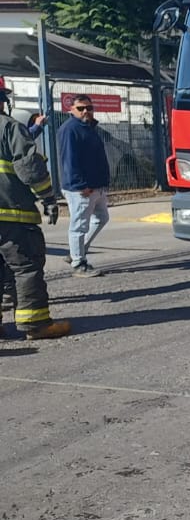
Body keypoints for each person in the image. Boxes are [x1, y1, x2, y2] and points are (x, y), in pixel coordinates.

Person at [0, 98, 72, 340]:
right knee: (26, 267)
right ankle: (36, 325)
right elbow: (30, 167)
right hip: (11, 214)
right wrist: (48, 198)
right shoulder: (9, 127)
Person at [57, 94, 111, 277]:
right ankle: (79, 263)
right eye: (81, 108)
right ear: (71, 110)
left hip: (97, 186)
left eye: (89, 107)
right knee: (79, 226)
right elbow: (69, 160)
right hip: (82, 188)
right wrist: (80, 185)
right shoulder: (70, 129)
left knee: (101, 218)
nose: (86, 111)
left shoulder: (89, 127)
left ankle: (76, 252)